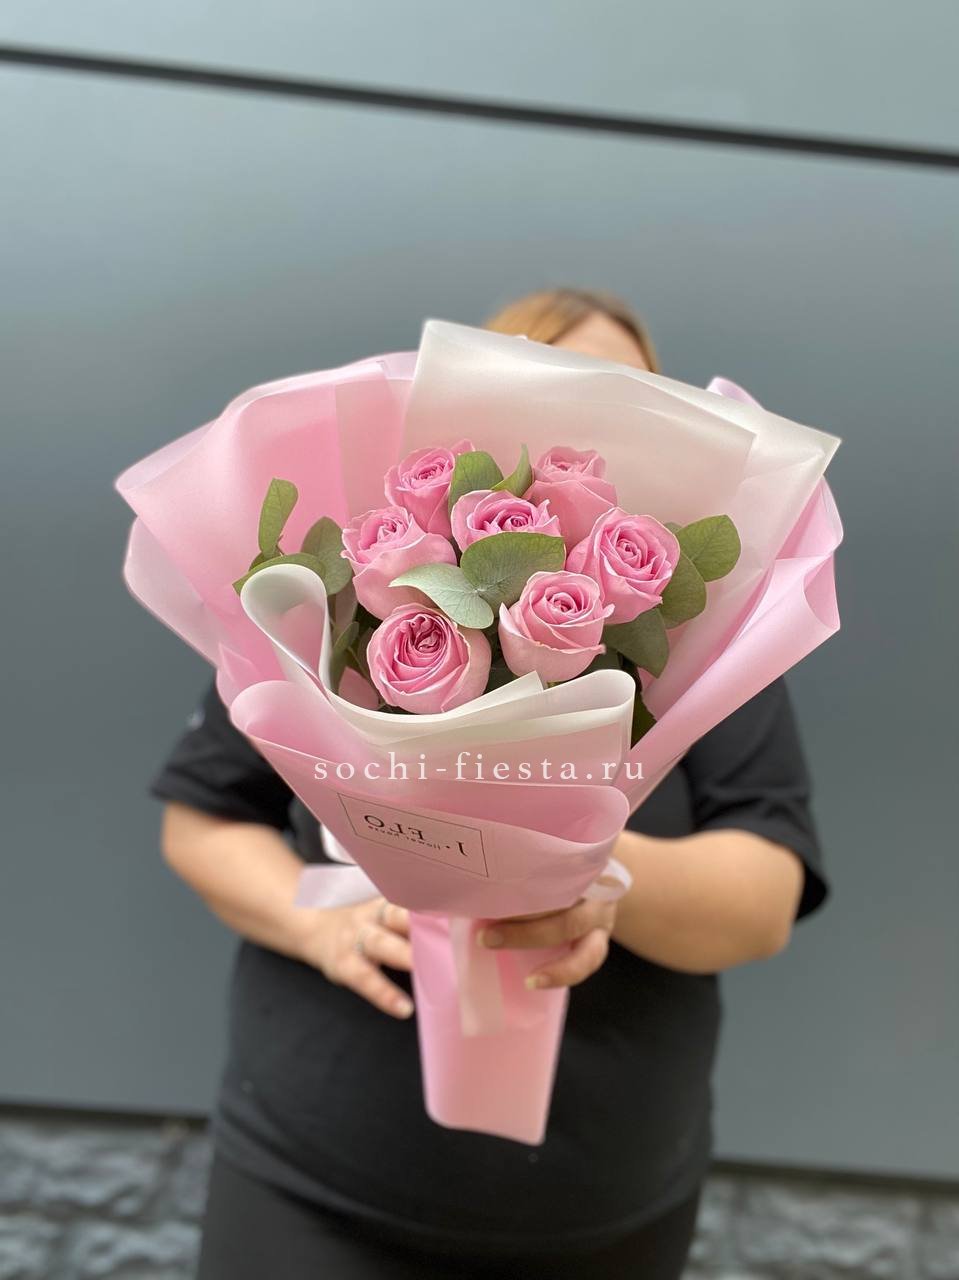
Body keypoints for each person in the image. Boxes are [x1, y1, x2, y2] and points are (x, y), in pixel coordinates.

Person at [152, 288, 828, 1279]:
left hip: (602, 1217)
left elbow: (763, 896)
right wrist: (319, 924)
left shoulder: (710, 643)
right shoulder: (336, 603)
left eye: (639, 400)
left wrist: (585, 864)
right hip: (314, 1187)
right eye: (564, 388)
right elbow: (201, 822)